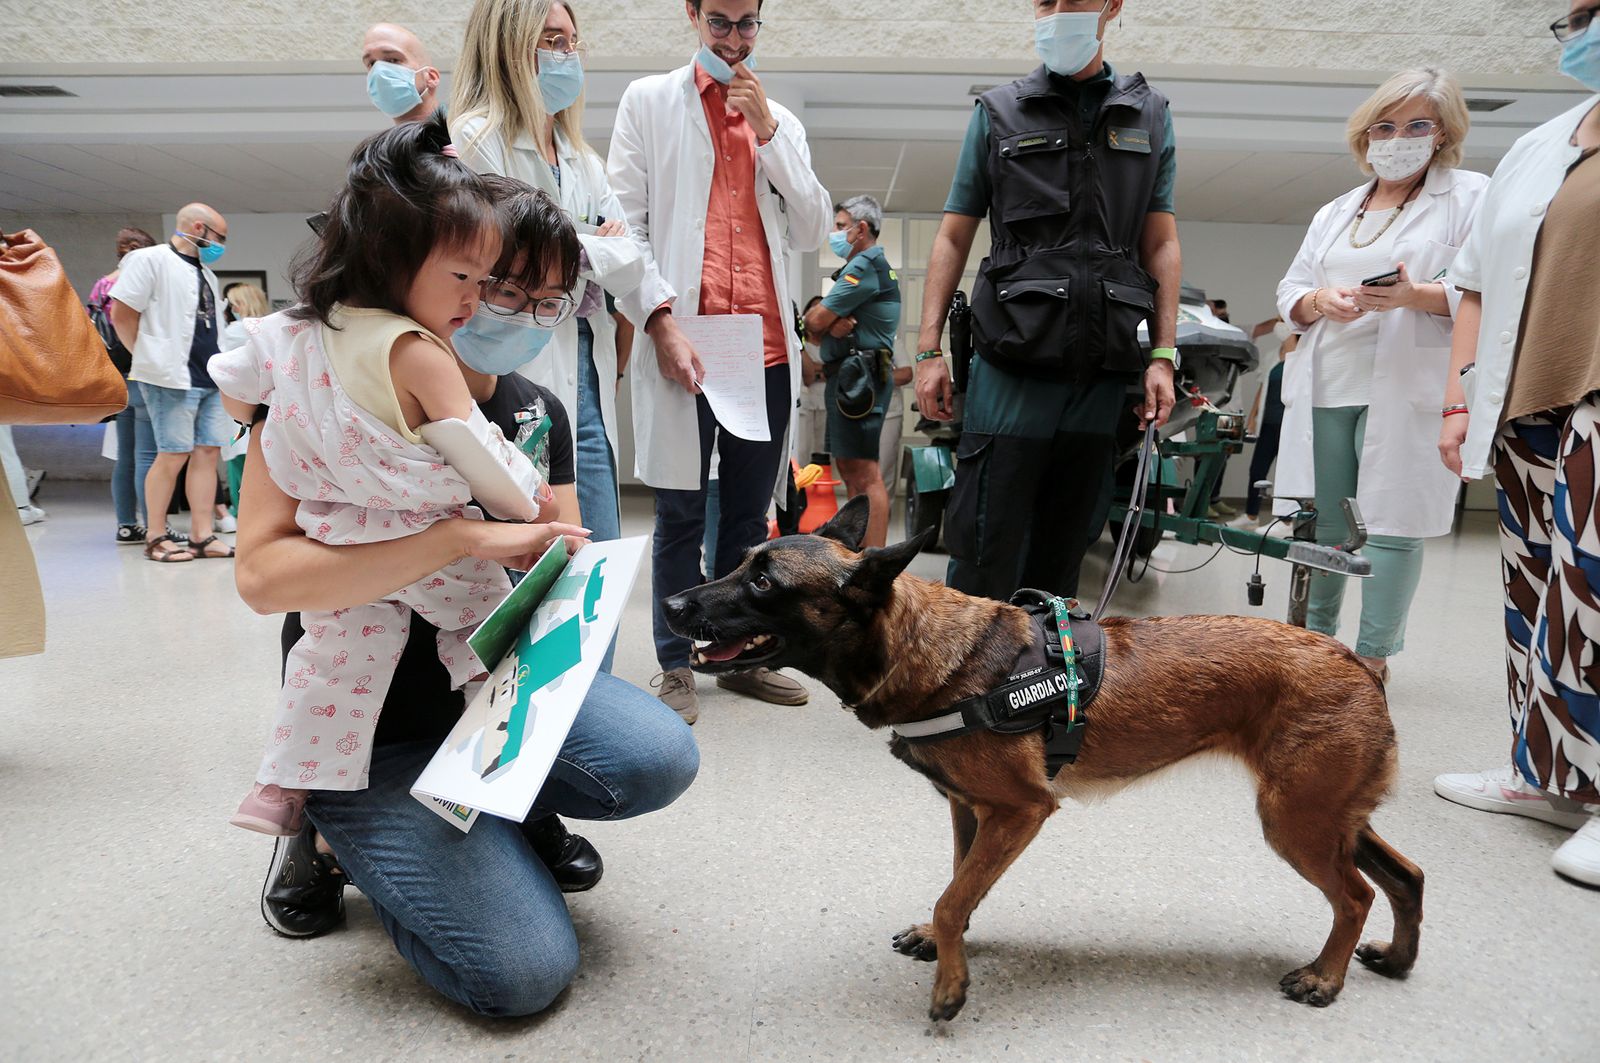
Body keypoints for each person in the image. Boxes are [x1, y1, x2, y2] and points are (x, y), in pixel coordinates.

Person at [210, 115, 562, 835]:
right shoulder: (419, 351)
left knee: (331, 662)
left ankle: (284, 790)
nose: (473, 299)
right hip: (424, 527)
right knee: (485, 642)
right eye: (463, 278)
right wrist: (529, 503)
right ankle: (490, 770)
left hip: (339, 536)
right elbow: (479, 451)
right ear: (389, 258)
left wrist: (280, 411)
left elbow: (237, 392)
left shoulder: (286, 331)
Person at [608, 0, 831, 723]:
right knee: (678, 510)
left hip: (762, 350)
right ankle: (676, 663)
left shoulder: (780, 121)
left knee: (747, 521)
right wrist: (660, 322)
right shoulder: (648, 102)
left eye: (746, 25)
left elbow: (811, 228)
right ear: (693, 15)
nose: (734, 40)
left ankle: (739, 656)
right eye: (721, 23)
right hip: (687, 343)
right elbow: (624, 227)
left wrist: (769, 134)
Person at [914, 0, 1180, 604]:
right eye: (1044, 1)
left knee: (1065, 551)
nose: (1057, 12)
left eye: (1073, 0)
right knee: (986, 539)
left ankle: (1041, 687)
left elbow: (1160, 241)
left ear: (1111, 6)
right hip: (1013, 361)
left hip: (1103, 367)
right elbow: (954, 232)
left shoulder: (1150, 114)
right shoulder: (999, 111)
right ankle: (971, 684)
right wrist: (928, 348)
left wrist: (1163, 354)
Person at [1433, 1, 1600, 888]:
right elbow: (1473, 285)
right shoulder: (1544, 142)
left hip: (1596, 395)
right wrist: (1462, 402)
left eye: (1588, 14)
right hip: (1526, 398)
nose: (1575, 33)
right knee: (1539, 593)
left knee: (1596, 589)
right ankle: (1548, 775)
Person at [1276, 67, 1488, 684]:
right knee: (1327, 524)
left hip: (1406, 384)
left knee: (1392, 524)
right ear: (1365, 135)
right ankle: (1315, 648)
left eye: (1417, 124)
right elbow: (1292, 285)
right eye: (1385, 126)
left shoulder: (1472, 196)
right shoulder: (1338, 210)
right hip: (1328, 379)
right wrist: (1318, 302)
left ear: (1443, 132)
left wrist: (1412, 295)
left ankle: (1370, 657)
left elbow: (1484, 289)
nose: (1399, 137)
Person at [451, 0, 659, 587]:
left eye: (571, 42)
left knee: (598, 562)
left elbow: (633, 262)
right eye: (550, 41)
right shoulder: (474, 139)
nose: (565, 55)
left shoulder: (583, 160)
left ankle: (594, 683)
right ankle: (529, 685)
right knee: (531, 563)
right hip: (505, 368)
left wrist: (571, 247)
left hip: (585, 382)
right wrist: (594, 244)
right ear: (508, 46)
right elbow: (508, 253)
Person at [108, 203, 234, 563]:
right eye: (219, 238)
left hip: (208, 376)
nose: (221, 245)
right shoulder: (149, 260)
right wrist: (147, 357)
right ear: (198, 227)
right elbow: (123, 313)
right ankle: (156, 535)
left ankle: (202, 535)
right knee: (172, 454)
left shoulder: (206, 273)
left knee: (208, 454)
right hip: (169, 376)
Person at [803, 195, 903, 549]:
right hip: (849, 377)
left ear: (862, 229)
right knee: (851, 470)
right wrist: (826, 326)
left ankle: (871, 560)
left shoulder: (865, 266)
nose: (834, 233)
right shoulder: (864, 265)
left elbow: (813, 320)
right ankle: (859, 552)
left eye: (841, 226)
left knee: (865, 473)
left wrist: (823, 325)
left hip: (860, 378)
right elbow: (813, 327)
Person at [90, 226, 158, 544]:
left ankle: (126, 524)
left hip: (114, 380)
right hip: (142, 374)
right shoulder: (139, 284)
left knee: (125, 455)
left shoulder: (100, 286)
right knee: (147, 455)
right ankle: (155, 526)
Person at [1231, 320, 1295, 528]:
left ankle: (1285, 520)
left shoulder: (1302, 357)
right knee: (1257, 470)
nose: (1280, 326)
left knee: (1287, 473)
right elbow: (1262, 389)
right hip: (1268, 423)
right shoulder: (1272, 357)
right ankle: (1251, 515)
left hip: (1290, 426)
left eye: (1284, 322)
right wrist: (1252, 417)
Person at [218, 284, 270, 522]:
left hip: (238, 409)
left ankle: (240, 510)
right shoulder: (269, 329)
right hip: (265, 406)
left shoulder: (235, 331)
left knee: (238, 458)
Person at [361, 23, 442, 124]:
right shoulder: (385, 140)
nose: (379, 71)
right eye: (372, 63)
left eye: (392, 60)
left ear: (431, 77)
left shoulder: (460, 136)